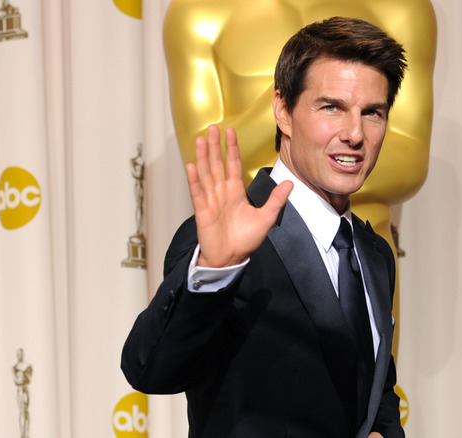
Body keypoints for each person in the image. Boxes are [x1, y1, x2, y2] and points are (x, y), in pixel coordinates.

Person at [122, 16, 408, 438]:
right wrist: (215, 269)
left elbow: (376, 393)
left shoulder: (373, 252)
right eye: (331, 107)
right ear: (283, 111)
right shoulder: (227, 241)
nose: (354, 134)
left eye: (372, 113)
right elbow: (150, 369)